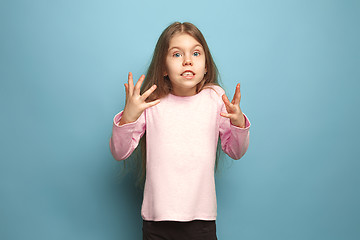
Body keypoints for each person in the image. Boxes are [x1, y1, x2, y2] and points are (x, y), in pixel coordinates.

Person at [109, 21, 251, 240]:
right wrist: (129, 116)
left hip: (201, 220)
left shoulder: (215, 98)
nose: (187, 60)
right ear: (163, 67)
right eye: (176, 54)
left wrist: (239, 123)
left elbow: (236, 151)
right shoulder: (152, 102)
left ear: (205, 66)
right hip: (157, 221)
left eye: (196, 53)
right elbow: (120, 152)